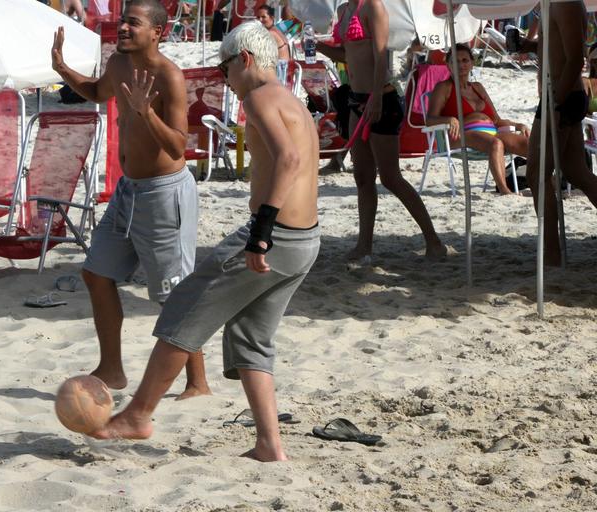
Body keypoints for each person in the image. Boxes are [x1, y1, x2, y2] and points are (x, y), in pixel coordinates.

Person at [89, 21, 321, 463]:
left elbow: (288, 160)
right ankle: (270, 445)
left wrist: (261, 235)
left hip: (276, 237)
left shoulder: (259, 96)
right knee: (251, 338)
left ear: (246, 61)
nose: (224, 76)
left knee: (184, 306)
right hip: (306, 240)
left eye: (225, 67)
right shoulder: (290, 98)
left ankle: (138, 414)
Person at [51, 0, 211, 398]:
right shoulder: (118, 63)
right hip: (128, 190)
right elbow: (96, 92)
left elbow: (177, 147)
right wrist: (63, 69)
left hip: (164, 194)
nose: (122, 27)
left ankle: (198, 382)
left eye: (132, 23)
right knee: (96, 273)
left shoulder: (169, 76)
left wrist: (145, 113)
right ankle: (112, 369)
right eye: (123, 20)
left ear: (157, 32)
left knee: (174, 290)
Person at [317, 0, 446, 261]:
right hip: (356, 98)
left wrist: (375, 96)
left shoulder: (373, 7)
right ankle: (364, 245)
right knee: (363, 177)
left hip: (382, 98)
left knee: (390, 177)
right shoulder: (344, 11)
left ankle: (434, 241)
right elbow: (349, 54)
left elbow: (380, 57)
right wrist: (320, 48)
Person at [522, 1, 597, 266]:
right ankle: (551, 253)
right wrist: (528, 46)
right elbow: (558, 50)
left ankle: (551, 254)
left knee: (537, 173)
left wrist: (556, 103)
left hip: (561, 96)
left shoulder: (564, 3)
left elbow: (576, 58)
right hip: (562, 95)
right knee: (577, 173)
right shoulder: (551, 4)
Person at [426, 43, 530, 195]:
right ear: (448, 65)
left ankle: (551, 182)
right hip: (460, 135)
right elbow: (429, 120)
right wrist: (449, 119)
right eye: (455, 61)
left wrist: (519, 125)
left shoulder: (478, 87)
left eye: (465, 60)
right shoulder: (444, 87)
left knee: (528, 143)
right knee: (496, 143)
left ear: (472, 63)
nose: (461, 65)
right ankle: (504, 190)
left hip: (491, 132)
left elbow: (496, 120)